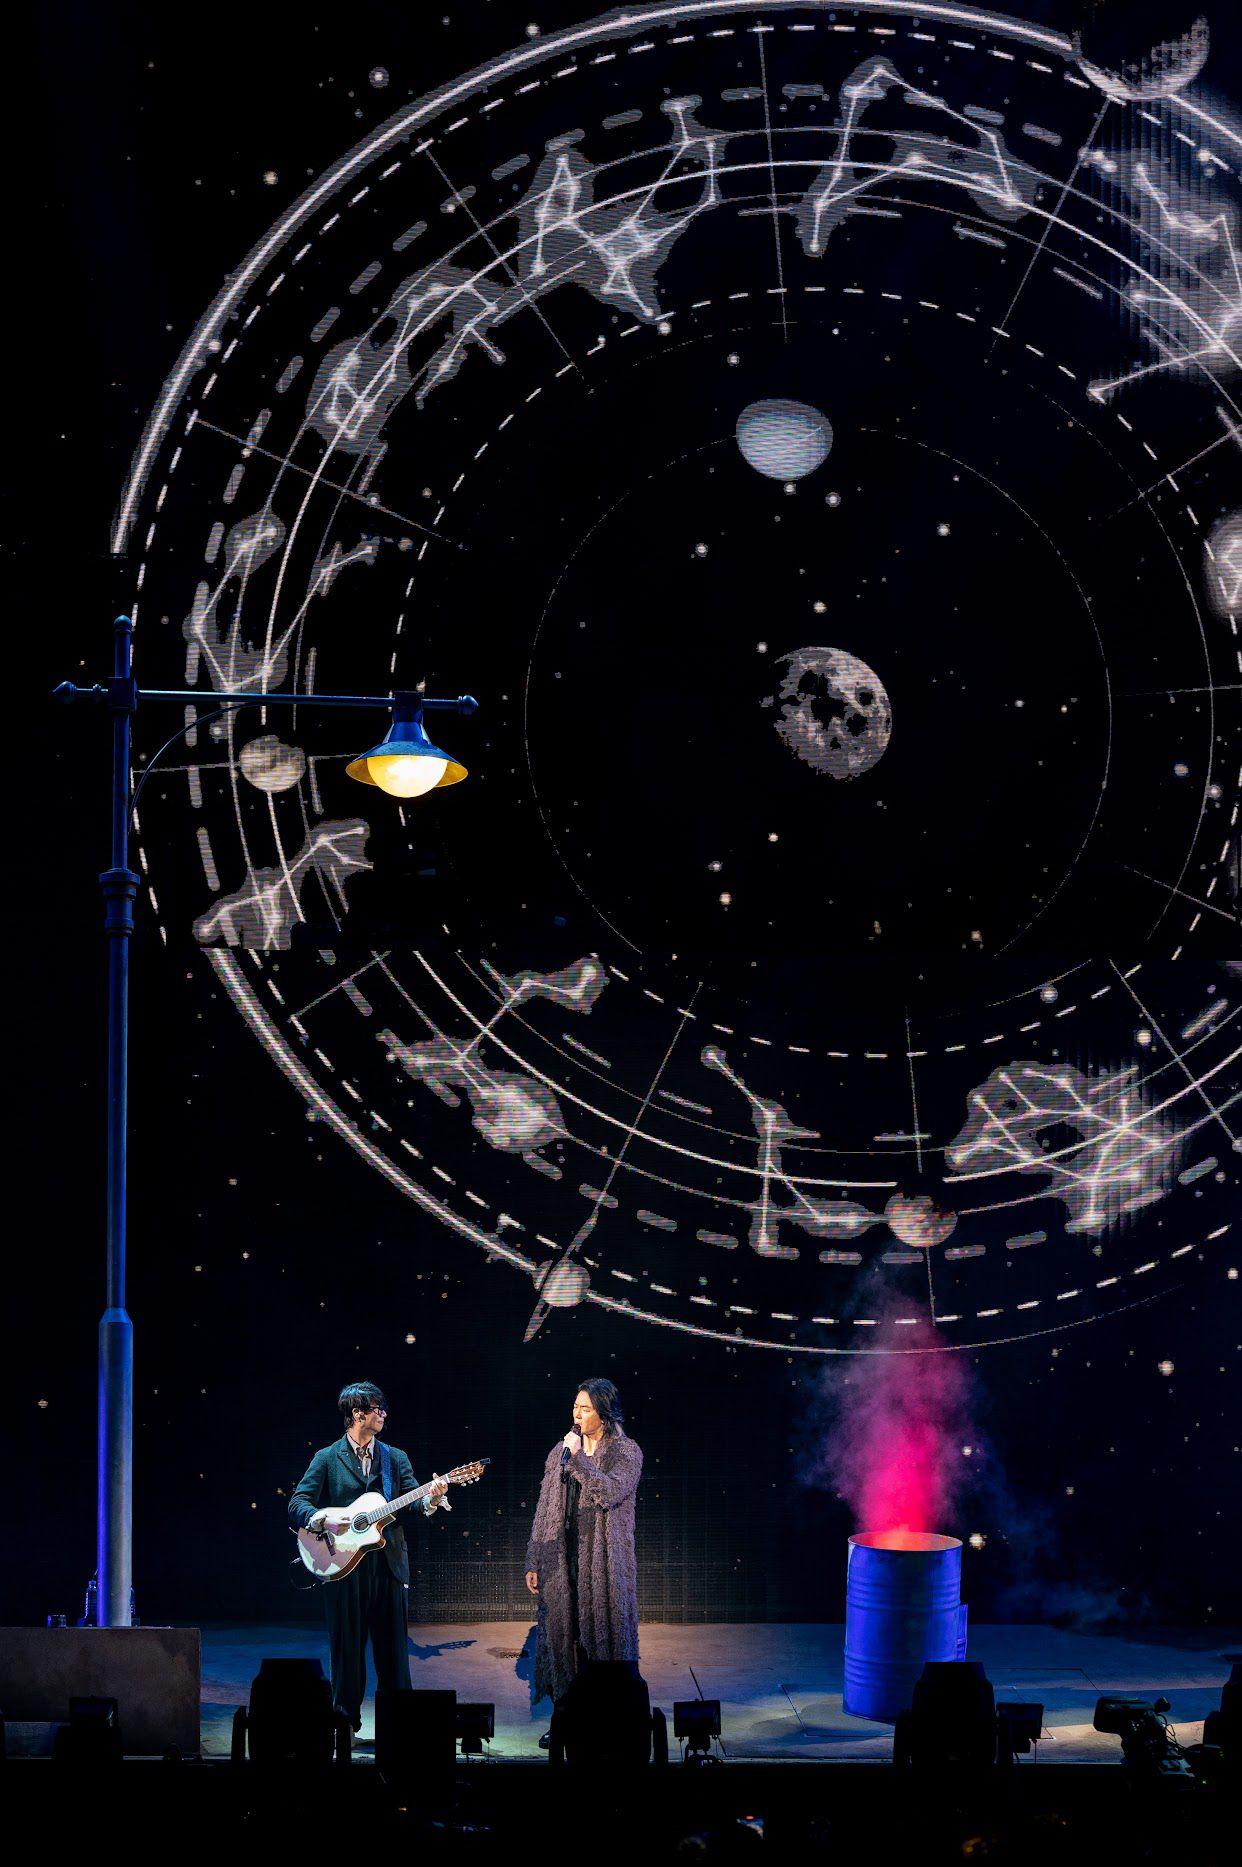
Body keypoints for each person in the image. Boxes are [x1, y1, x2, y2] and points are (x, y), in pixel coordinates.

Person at [288, 1381, 449, 1732]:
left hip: (388, 1565)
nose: (384, 1414)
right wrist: (322, 1518)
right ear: (357, 1413)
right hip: (343, 1566)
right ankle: (344, 1724)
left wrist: (432, 1498)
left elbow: (413, 1502)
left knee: (393, 1653)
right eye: (378, 1409)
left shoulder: (395, 1457)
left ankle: (399, 1728)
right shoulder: (327, 1457)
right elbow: (297, 1503)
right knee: (346, 1651)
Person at [524, 1377, 643, 1740]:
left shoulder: (626, 1452)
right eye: (575, 1407)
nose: (577, 1414)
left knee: (602, 1640)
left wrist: (577, 1459)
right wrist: (534, 1558)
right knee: (564, 1641)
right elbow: (544, 1507)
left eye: (585, 1409)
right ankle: (564, 1722)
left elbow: (608, 1492)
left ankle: (606, 1724)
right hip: (563, 1561)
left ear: (603, 1415)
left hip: (603, 1563)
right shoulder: (559, 1451)